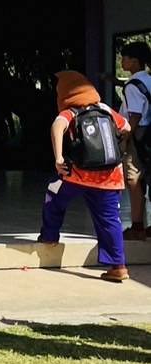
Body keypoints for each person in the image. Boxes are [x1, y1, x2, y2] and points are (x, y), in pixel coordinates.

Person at [39, 71, 130, 283]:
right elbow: (126, 127)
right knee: (110, 221)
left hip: (77, 175)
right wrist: (118, 147)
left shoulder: (71, 111)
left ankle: (50, 237)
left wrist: (59, 157)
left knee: (54, 197)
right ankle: (119, 267)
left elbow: (57, 126)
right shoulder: (104, 109)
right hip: (110, 176)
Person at [120, 40, 151, 241]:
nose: (122, 61)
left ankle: (137, 226)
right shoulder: (149, 80)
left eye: (125, 58)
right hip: (150, 135)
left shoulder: (132, 85)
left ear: (134, 61)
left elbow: (135, 115)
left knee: (134, 180)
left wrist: (124, 138)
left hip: (138, 136)